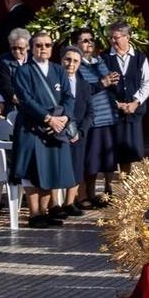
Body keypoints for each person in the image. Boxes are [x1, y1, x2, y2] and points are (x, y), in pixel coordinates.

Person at [10, 28, 78, 228]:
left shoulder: (58, 70)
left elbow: (68, 96)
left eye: (47, 45)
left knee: (50, 168)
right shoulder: (23, 71)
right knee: (33, 170)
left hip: (56, 127)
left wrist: (64, 117)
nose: (43, 49)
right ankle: (34, 214)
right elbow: (26, 99)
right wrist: (48, 118)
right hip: (32, 127)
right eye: (38, 45)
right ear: (31, 48)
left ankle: (46, 211)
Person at [73, 29, 118, 209]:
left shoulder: (99, 62)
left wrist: (112, 81)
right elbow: (82, 90)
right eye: (84, 40)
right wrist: (103, 83)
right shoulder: (76, 65)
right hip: (91, 118)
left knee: (104, 159)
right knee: (89, 161)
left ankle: (101, 192)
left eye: (91, 40)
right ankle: (85, 194)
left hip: (107, 116)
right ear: (76, 44)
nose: (88, 43)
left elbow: (109, 83)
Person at [100, 22, 149, 168]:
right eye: (110, 38)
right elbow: (100, 85)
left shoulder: (140, 58)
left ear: (127, 37)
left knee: (131, 153)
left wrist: (135, 103)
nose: (113, 41)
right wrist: (116, 104)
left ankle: (126, 184)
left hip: (132, 113)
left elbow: (146, 83)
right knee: (111, 153)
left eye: (116, 37)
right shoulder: (104, 58)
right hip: (111, 114)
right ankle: (109, 187)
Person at [55, 42, 93, 215]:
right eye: (67, 60)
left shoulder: (84, 85)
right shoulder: (53, 81)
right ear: (61, 60)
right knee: (55, 168)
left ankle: (69, 203)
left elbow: (90, 112)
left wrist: (81, 131)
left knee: (76, 167)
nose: (71, 64)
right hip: (57, 131)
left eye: (75, 61)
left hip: (77, 133)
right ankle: (54, 204)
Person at [0, 28, 30, 118]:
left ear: (27, 47)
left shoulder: (33, 60)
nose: (17, 51)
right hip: (13, 102)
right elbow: (5, 84)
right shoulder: (4, 60)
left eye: (21, 48)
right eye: (14, 48)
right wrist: (14, 96)